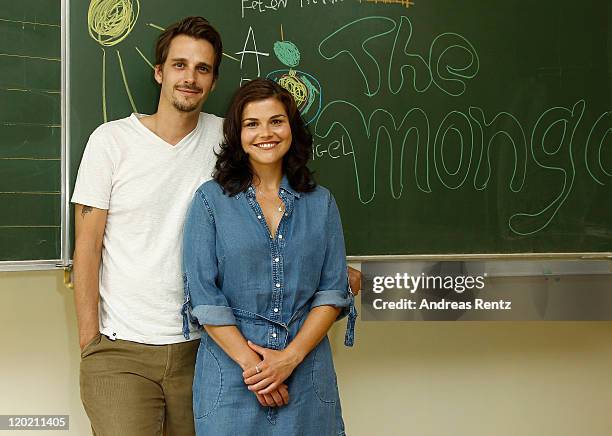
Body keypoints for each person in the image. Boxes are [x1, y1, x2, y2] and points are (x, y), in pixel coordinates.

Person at [72, 16, 361, 436]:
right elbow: (88, 245)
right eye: (179, 65)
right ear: (159, 71)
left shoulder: (229, 139)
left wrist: (332, 274)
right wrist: (90, 340)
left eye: (203, 68)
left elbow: (276, 216)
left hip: (204, 347)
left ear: (213, 80)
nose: (190, 78)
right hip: (123, 345)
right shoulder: (111, 141)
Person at [182, 78, 356, 436]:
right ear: (237, 134)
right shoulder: (209, 202)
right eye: (252, 124)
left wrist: (288, 359)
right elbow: (204, 295)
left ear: (291, 128)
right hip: (232, 376)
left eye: (276, 121)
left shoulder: (321, 203)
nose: (266, 133)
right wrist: (259, 370)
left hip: (305, 374)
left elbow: (332, 291)